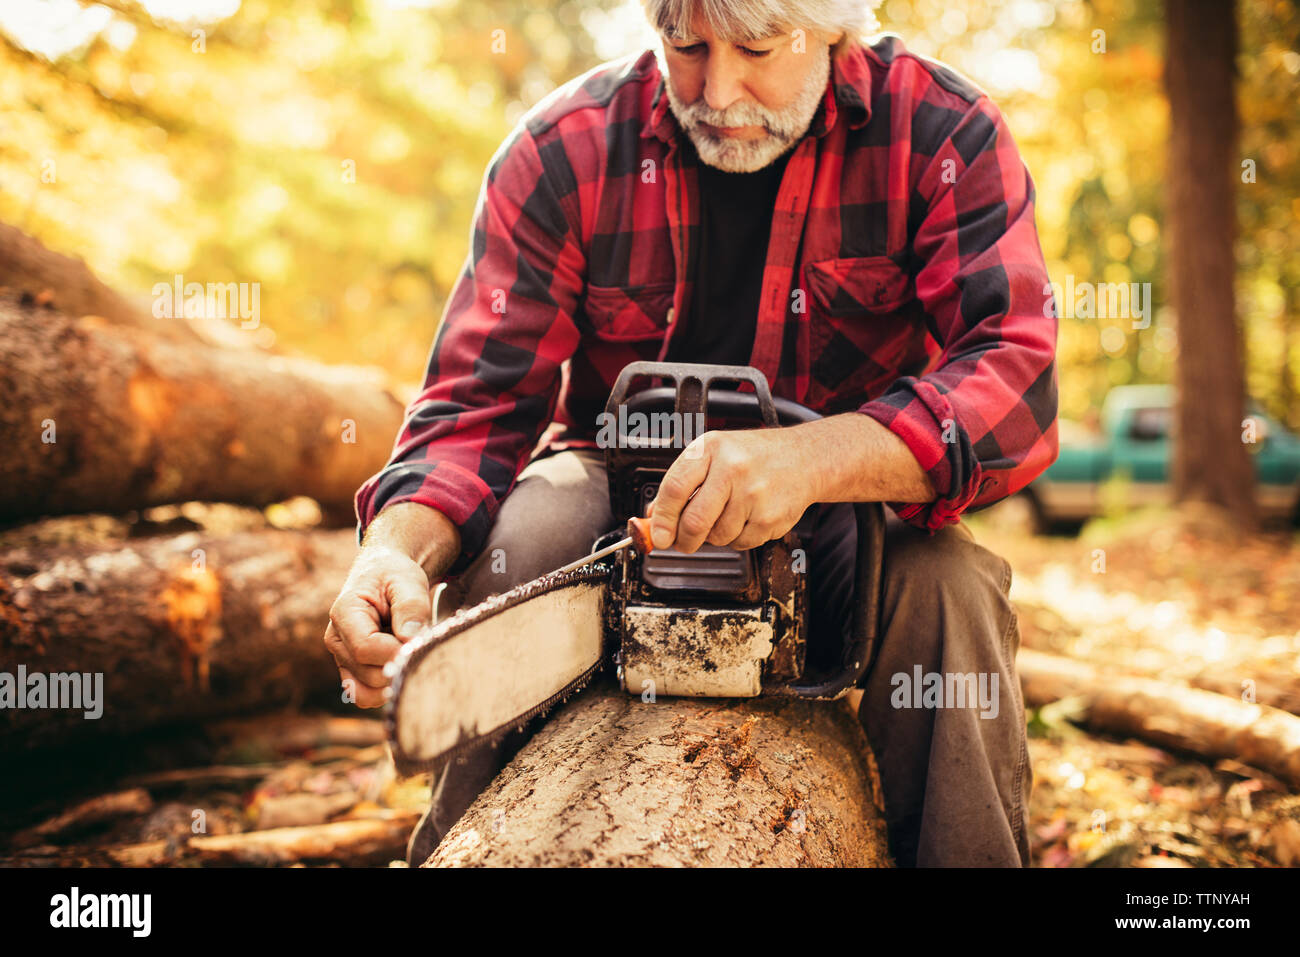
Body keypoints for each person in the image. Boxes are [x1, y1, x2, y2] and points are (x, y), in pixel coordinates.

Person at [324, 0, 1058, 867]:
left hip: (848, 510)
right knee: (520, 541)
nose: (717, 88)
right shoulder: (564, 149)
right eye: (686, 45)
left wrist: (812, 459)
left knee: (953, 591)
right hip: (617, 501)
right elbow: (473, 405)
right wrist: (395, 553)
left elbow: (1014, 381)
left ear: (832, 27)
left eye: (754, 47)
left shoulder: (942, 132)